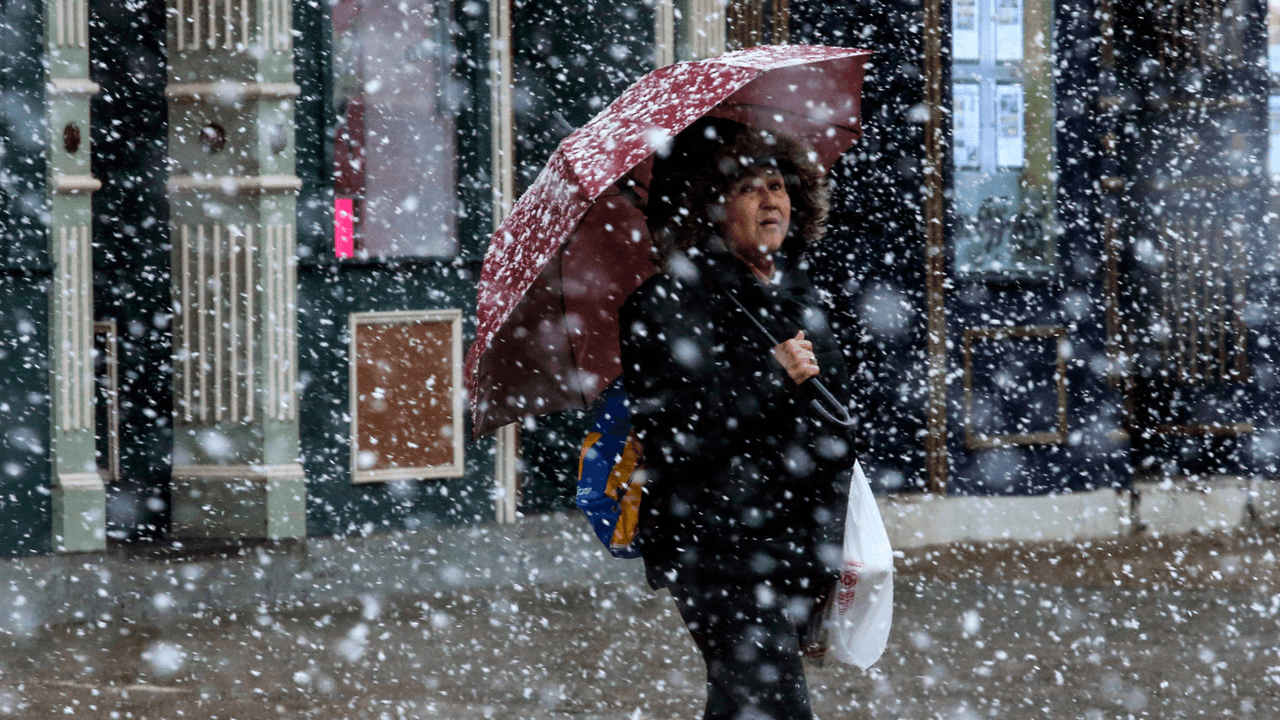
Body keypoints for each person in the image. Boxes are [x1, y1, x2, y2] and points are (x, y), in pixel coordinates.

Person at [619, 118, 860, 720]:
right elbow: (675, 436)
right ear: (710, 205)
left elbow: (834, 420)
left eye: (778, 186)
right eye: (749, 188)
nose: (771, 199)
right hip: (715, 545)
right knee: (773, 706)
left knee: (742, 706)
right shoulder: (664, 304)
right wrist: (769, 380)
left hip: (795, 544)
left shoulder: (803, 296)